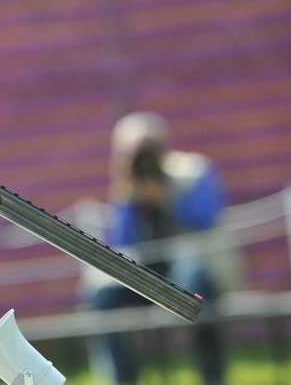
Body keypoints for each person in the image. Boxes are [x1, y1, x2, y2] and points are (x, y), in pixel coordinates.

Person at [89, 111, 227, 385]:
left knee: (197, 283)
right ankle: (123, 379)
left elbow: (206, 217)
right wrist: (128, 194)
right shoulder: (128, 184)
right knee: (103, 295)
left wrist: (167, 196)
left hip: (191, 271)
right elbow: (122, 241)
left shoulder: (193, 170)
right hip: (147, 273)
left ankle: (212, 379)